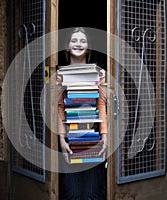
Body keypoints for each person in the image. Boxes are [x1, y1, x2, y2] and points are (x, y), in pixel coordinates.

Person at [57, 27, 108, 200]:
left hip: (93, 139)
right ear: (67, 46)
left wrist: (105, 136)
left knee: (92, 194)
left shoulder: (98, 73)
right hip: (70, 140)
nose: (78, 44)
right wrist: (62, 139)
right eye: (74, 40)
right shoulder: (60, 75)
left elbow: (101, 104)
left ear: (88, 47)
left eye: (83, 41)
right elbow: (58, 107)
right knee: (73, 195)